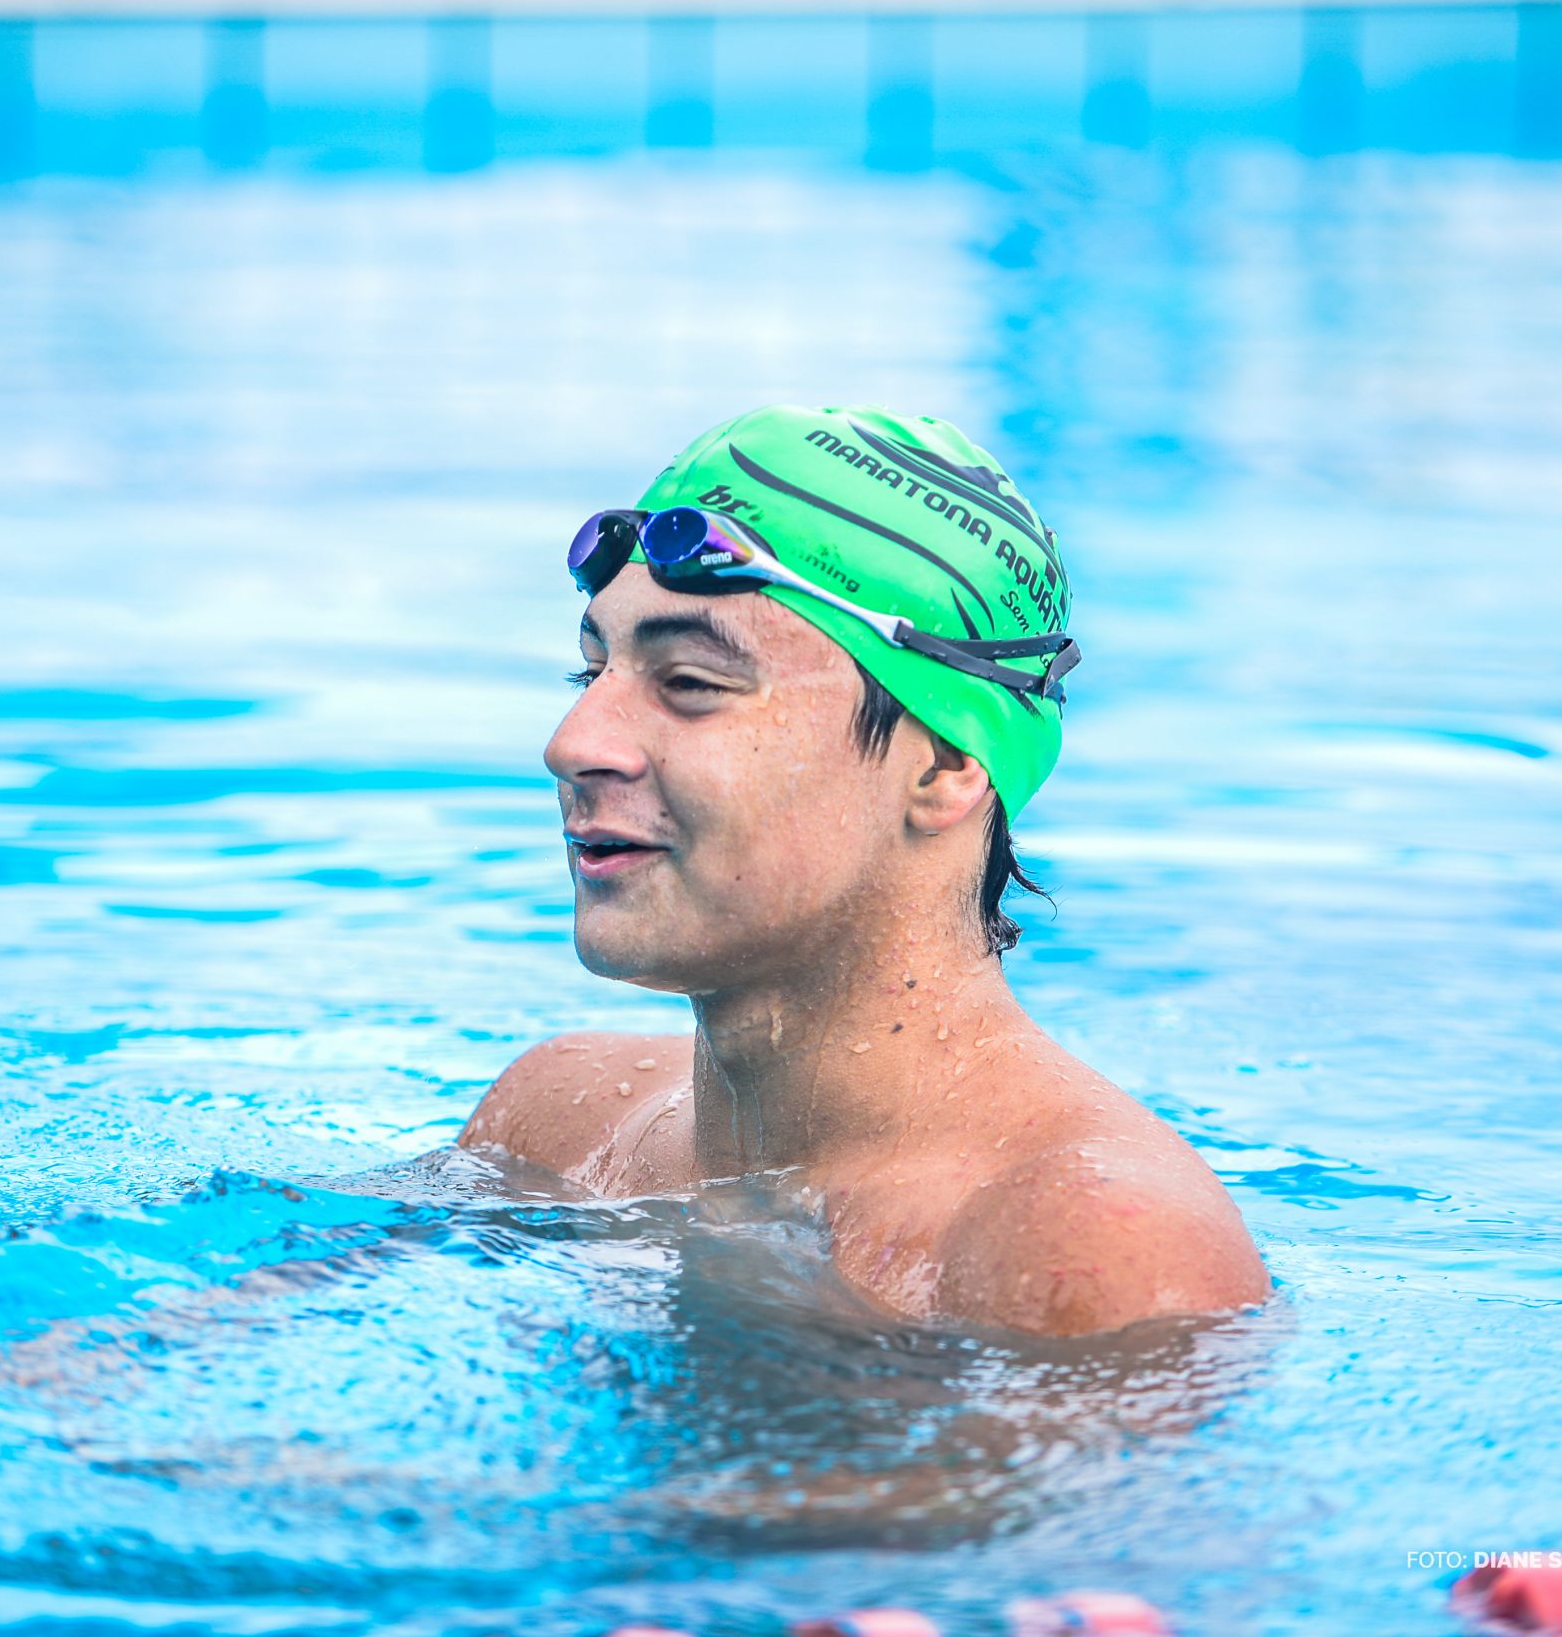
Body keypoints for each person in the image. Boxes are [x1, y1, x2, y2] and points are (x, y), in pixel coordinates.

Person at [459, 405, 1270, 1338]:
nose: (573, 744)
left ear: (944, 767)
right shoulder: (553, 1128)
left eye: (689, 684)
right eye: (589, 673)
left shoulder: (1095, 1255)